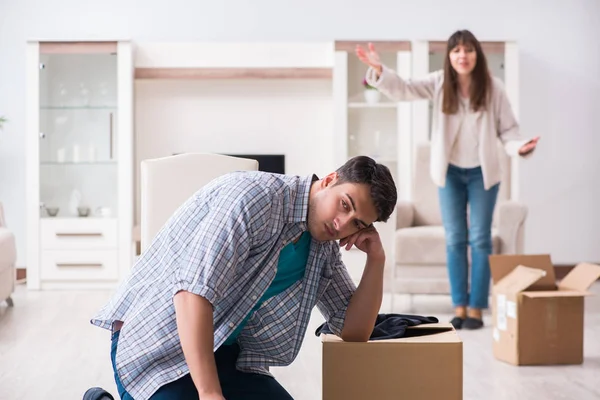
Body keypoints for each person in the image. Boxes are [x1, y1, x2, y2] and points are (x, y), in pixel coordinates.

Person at [89, 156, 397, 400]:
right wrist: (210, 394)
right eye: (345, 205)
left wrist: (377, 259)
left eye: (356, 223)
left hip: (223, 353)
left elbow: (353, 331)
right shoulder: (254, 198)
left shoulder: (322, 248)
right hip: (157, 347)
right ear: (330, 180)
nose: (341, 224)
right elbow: (191, 293)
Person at [356, 30, 539, 330]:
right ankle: (460, 306)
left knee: (480, 239)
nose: (462, 56)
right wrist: (379, 70)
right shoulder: (440, 83)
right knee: (455, 239)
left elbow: (509, 131)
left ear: (477, 55)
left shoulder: (494, 88)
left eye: (468, 50)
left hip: (483, 173)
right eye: (456, 51)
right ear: (450, 56)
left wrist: (520, 147)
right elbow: (405, 88)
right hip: (450, 173)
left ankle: (477, 308)